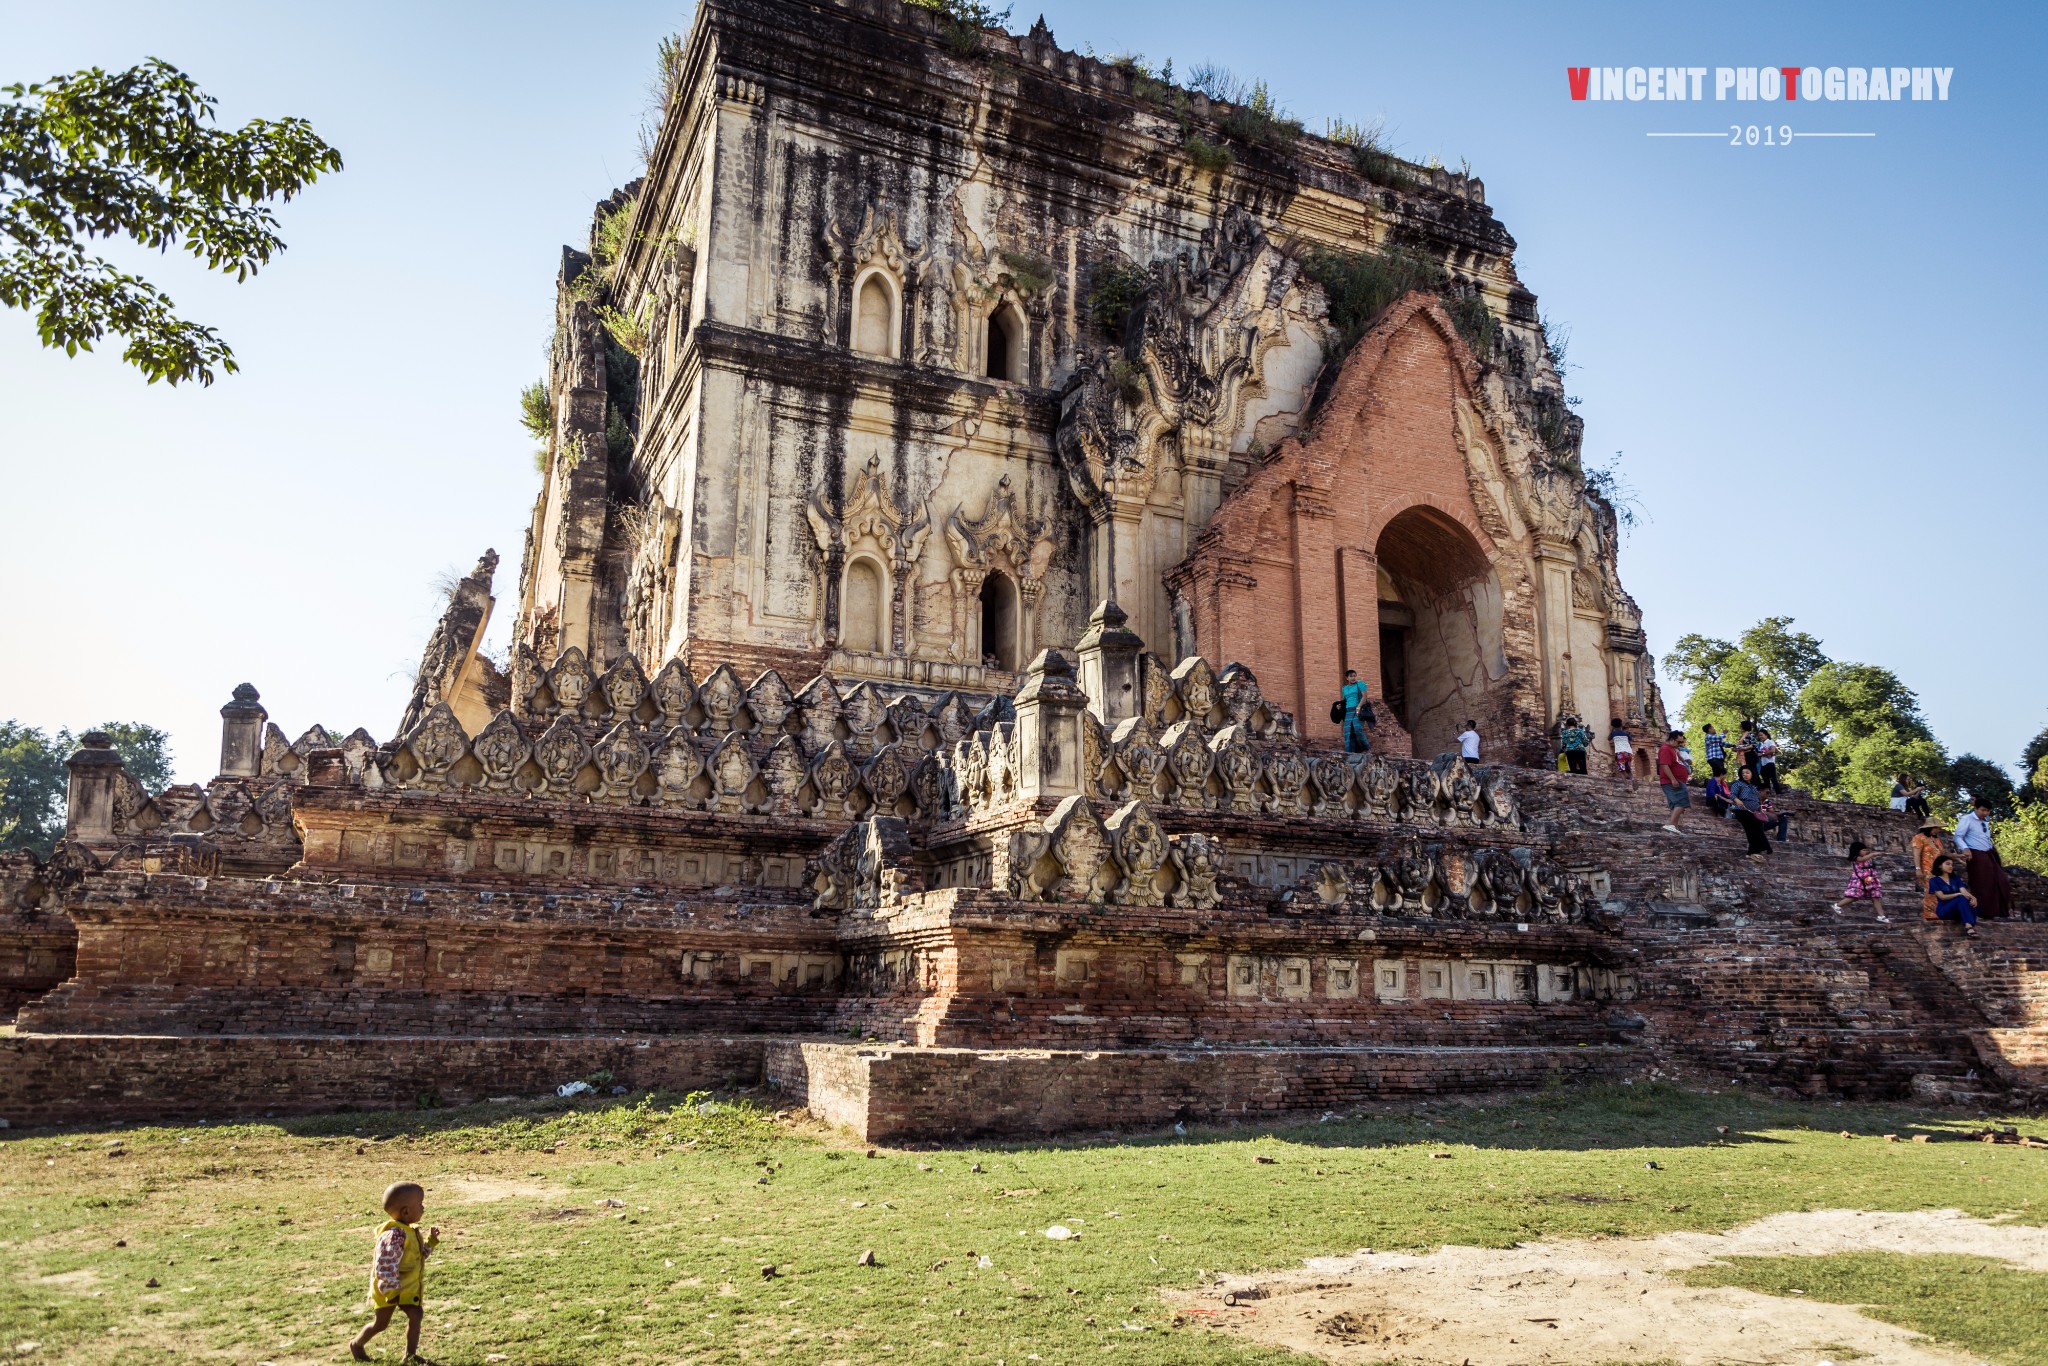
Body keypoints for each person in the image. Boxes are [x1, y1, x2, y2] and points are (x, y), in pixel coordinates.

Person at [350, 1181, 440, 1362]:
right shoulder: (394, 1235)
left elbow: (418, 1256)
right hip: (389, 1288)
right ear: (406, 1211)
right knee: (381, 1323)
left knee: (416, 1315)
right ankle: (357, 1344)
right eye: (420, 1204)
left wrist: (430, 1242)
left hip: (406, 1287)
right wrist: (390, 1288)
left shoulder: (410, 1231)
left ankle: (411, 1355)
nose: (423, 1208)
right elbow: (385, 1263)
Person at [1956, 797, 2015, 920]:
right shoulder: (1967, 819)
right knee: (1982, 884)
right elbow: (1958, 837)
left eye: (1988, 811)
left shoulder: (1985, 820)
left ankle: (1998, 912)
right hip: (1976, 854)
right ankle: (1983, 913)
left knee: (2001, 881)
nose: (1985, 813)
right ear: (1975, 808)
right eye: (1983, 810)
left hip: (1989, 853)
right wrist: (1965, 848)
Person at [1833, 839, 1887, 920]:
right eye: (1863, 850)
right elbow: (1862, 859)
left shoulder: (1868, 858)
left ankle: (1881, 916)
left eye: (1866, 850)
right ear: (1857, 851)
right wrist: (1874, 854)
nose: (1865, 851)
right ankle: (1837, 905)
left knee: (1875, 897)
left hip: (1869, 879)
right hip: (1859, 880)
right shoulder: (1856, 858)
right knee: (1855, 896)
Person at [1927, 855, 1979, 938]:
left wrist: (1973, 898)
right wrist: (1957, 894)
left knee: (1971, 902)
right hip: (1944, 910)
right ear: (1940, 866)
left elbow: (1964, 892)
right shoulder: (1934, 880)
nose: (1950, 866)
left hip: (1957, 909)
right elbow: (1942, 897)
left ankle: (1968, 923)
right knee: (1960, 898)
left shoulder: (1956, 879)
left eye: (1951, 864)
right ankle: (1969, 926)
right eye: (1947, 864)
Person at [1727, 765, 1772, 858]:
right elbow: (1731, 795)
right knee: (1753, 827)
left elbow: (1757, 799)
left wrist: (1760, 809)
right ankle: (1766, 847)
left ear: (1752, 773)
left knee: (1756, 828)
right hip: (1742, 810)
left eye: (1747, 773)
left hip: (1755, 811)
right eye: (1743, 773)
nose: (1745, 775)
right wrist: (1737, 800)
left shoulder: (1755, 786)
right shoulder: (1738, 783)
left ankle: (1751, 852)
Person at [1910, 817, 1948, 922]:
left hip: (1940, 870)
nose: (1938, 830)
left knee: (1942, 891)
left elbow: (1943, 854)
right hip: (1927, 870)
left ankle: (1940, 913)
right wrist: (1918, 869)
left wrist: (1959, 856)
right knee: (1930, 891)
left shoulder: (1936, 839)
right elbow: (1916, 855)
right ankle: (1930, 915)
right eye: (1937, 827)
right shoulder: (1919, 838)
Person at [1656, 729, 1691, 835]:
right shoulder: (1665, 749)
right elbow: (1664, 765)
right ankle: (1671, 824)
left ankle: (1674, 828)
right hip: (1672, 781)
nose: (1681, 744)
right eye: (1679, 742)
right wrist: (1673, 779)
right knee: (1682, 802)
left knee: (1676, 804)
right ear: (1672, 739)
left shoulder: (1673, 749)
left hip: (1677, 780)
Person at [1338, 669, 1375, 756]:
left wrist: (1359, 706)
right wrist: (1340, 705)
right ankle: (1350, 753)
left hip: (1358, 709)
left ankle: (1367, 748)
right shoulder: (1344, 688)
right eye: (1351, 676)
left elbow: (1364, 697)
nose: (1353, 678)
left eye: (1354, 676)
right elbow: (1346, 699)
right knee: (1348, 732)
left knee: (1357, 728)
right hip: (1348, 711)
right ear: (1347, 678)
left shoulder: (1360, 684)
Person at [1755, 727, 1782, 793]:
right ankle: (1767, 793)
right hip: (1762, 763)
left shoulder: (1770, 742)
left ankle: (1778, 793)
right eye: (1759, 735)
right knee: (1765, 779)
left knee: (1773, 778)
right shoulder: (1759, 744)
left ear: (1766, 735)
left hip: (1769, 762)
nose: (1760, 736)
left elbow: (1772, 750)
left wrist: (1762, 754)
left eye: (1762, 735)